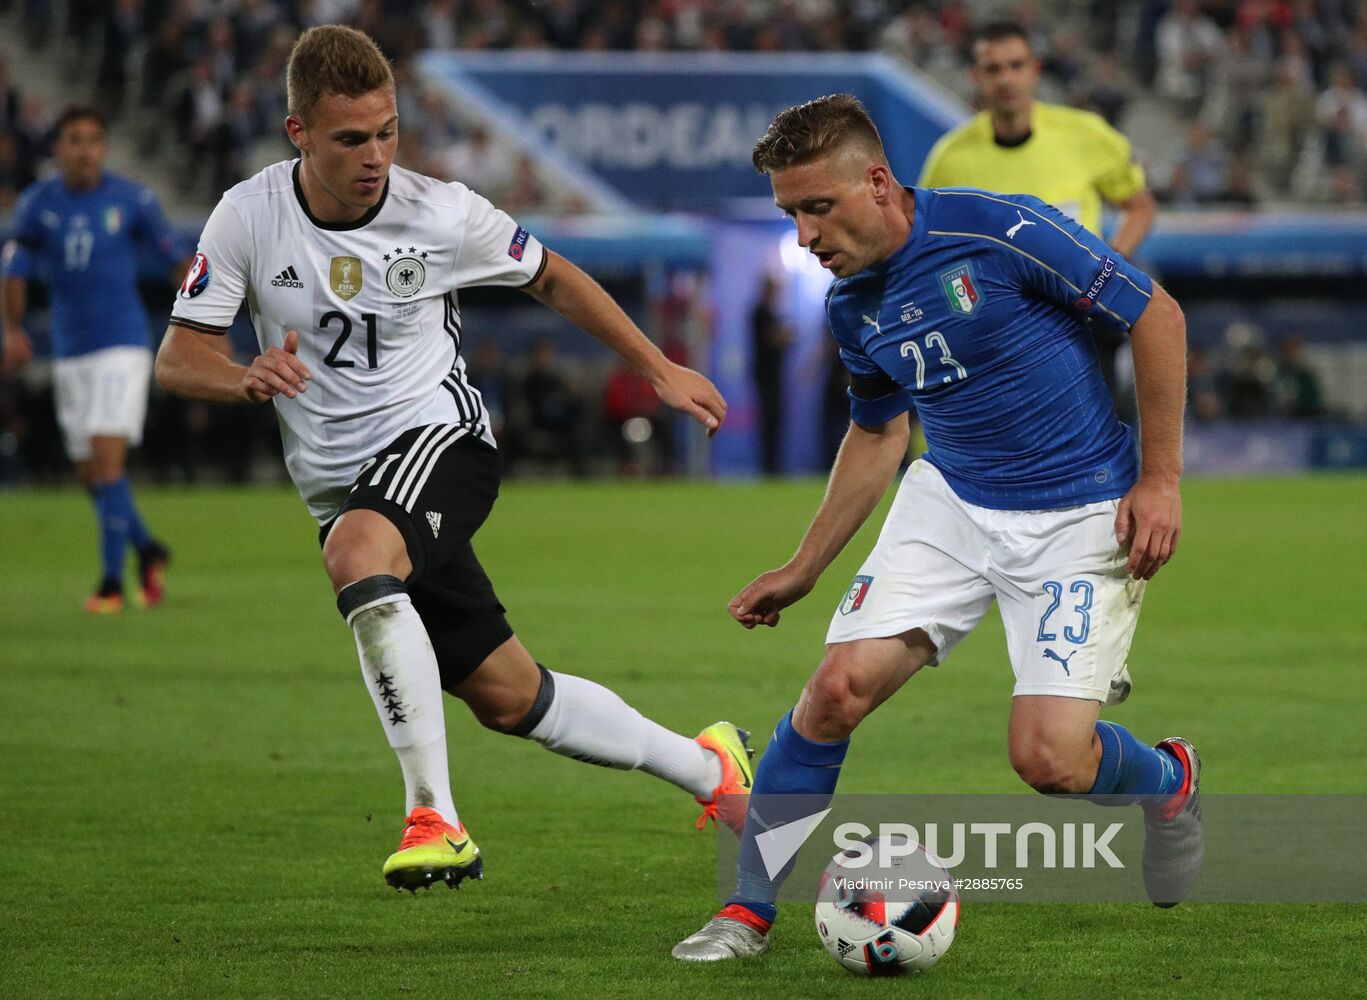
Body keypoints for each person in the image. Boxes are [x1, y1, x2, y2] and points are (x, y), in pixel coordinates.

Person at [153, 25, 753, 893]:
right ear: (298, 134)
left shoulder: (439, 211)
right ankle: (711, 770)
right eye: (351, 139)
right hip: (343, 485)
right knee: (510, 697)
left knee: (356, 556)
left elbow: (551, 275)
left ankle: (433, 816)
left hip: (441, 441)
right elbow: (179, 356)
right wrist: (243, 375)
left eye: (387, 131)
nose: (376, 155)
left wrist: (657, 367)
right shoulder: (248, 214)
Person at [673, 95, 1202, 961]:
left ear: (876, 183)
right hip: (951, 502)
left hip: (1078, 515)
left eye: (817, 207)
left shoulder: (1000, 232)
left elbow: (1156, 316)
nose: (804, 236)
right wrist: (804, 565)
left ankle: (1168, 783)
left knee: (1049, 762)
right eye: (788, 214)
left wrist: (1161, 479)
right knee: (834, 691)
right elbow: (879, 432)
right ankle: (748, 910)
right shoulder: (850, 304)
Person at [919, 20, 1156, 421]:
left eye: (1016, 65)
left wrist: (1112, 262)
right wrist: (966, 306)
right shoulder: (950, 158)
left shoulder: (1085, 135)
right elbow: (929, 250)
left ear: (1035, 70)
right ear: (975, 77)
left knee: (1101, 447)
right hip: (999, 334)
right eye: (993, 69)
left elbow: (1140, 205)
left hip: (1081, 321)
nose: (1006, 78)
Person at [1, 106, 176, 613]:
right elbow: (14, 270)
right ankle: (147, 549)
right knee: (88, 474)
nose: (84, 149)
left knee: (106, 456)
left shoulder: (132, 199)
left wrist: (203, 322)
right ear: (58, 148)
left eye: (94, 139)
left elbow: (179, 260)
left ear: (104, 147)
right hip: (70, 351)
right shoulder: (38, 205)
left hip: (122, 345)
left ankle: (110, 585)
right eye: (74, 139)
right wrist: (13, 331)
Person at [750, 274, 793, 475]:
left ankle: (773, 465)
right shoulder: (761, 312)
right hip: (766, 376)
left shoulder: (770, 312)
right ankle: (769, 467)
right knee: (769, 421)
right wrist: (786, 336)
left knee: (774, 421)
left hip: (772, 375)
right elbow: (772, 339)